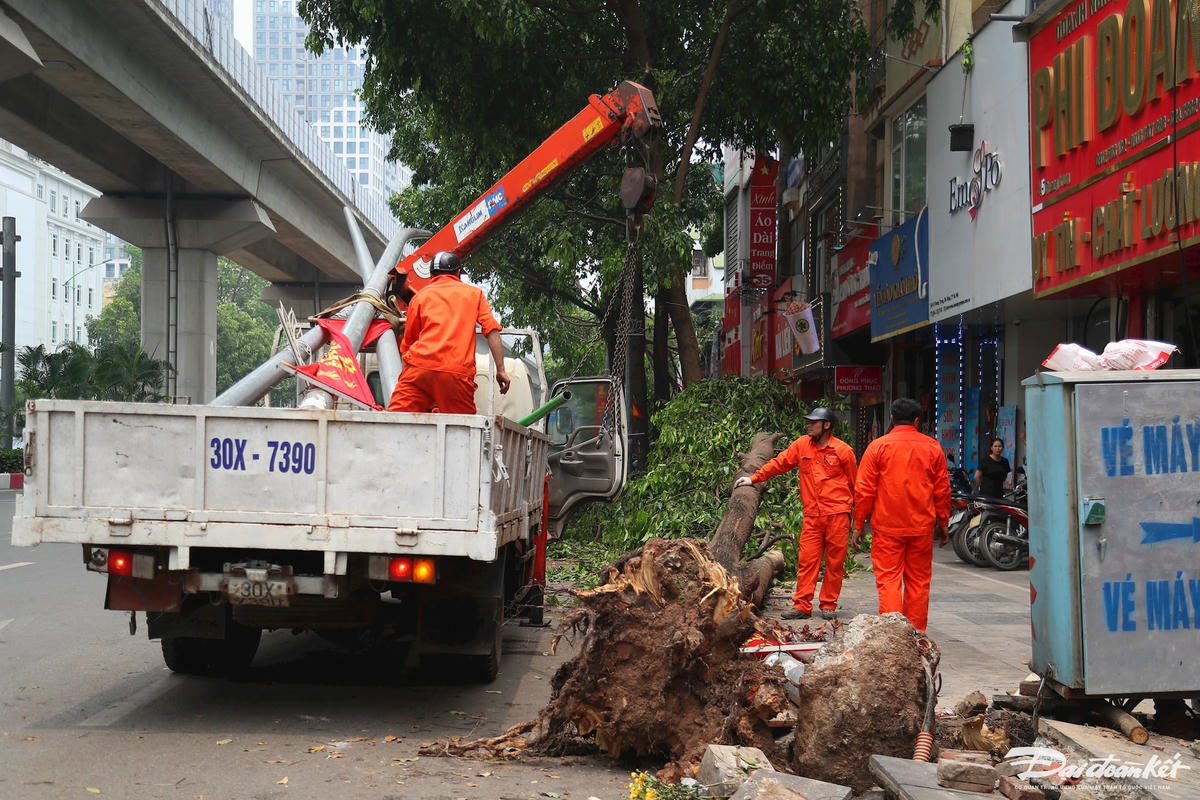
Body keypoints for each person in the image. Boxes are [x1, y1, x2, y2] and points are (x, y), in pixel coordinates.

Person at [733, 407, 857, 620]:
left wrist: (859, 519)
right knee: (807, 561)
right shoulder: (801, 445)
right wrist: (754, 478)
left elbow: (856, 485)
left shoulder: (843, 451)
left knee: (835, 563)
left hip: (838, 515)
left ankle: (828, 605)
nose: (809, 425)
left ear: (826, 425)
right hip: (812, 516)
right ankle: (802, 605)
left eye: (813, 422)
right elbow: (779, 464)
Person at [852, 397, 951, 632]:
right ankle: (916, 634)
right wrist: (944, 522)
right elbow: (942, 489)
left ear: (892, 419)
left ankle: (893, 634)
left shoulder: (878, 447)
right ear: (917, 421)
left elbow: (864, 489)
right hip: (921, 527)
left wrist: (858, 525)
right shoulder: (932, 447)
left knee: (889, 581)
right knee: (918, 582)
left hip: (887, 528)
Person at [388, 251, 510, 413]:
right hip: (455, 373)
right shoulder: (475, 294)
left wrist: (407, 376)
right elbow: (492, 331)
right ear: (458, 272)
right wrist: (501, 370)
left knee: (395, 423)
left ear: (431, 274)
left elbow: (408, 343)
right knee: (461, 431)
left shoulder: (419, 297)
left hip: (419, 369)